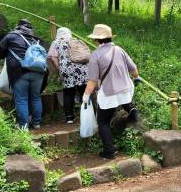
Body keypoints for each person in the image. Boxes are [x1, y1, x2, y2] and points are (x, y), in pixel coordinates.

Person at [83, 24, 140, 159]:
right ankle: (132, 111)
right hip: (126, 90)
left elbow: (92, 81)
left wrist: (86, 96)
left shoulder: (95, 55)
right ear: (109, 38)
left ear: (96, 40)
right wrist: (137, 78)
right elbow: (134, 69)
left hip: (109, 93)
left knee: (102, 122)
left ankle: (109, 151)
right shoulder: (119, 49)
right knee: (124, 101)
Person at [0, 19, 48, 129]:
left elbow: (0, 53)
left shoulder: (11, 36)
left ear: (18, 27)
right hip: (38, 72)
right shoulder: (38, 40)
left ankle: (23, 127)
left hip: (19, 72)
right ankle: (37, 123)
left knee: (21, 99)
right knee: (36, 97)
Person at [48, 27, 88, 124]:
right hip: (83, 70)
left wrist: (60, 69)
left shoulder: (56, 42)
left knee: (69, 93)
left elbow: (53, 58)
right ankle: (86, 116)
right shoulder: (75, 40)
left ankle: (69, 118)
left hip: (68, 70)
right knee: (83, 92)